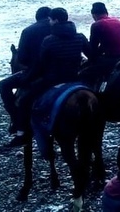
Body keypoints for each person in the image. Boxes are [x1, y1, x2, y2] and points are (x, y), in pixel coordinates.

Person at [14, 8, 92, 141]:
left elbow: (41, 64)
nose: (49, 22)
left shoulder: (49, 40)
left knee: (25, 100)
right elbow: (92, 56)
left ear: (55, 20)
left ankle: (23, 132)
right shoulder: (80, 37)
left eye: (50, 20)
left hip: (53, 79)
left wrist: (27, 78)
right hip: (75, 78)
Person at [1, 6, 52, 144]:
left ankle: (17, 121)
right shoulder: (59, 28)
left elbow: (22, 58)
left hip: (37, 73)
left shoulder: (28, 31)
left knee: (3, 85)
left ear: (37, 17)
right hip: (67, 72)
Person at [85, 2, 120, 87]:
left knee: (88, 73)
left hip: (114, 59)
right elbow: (109, 43)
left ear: (93, 15)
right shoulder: (117, 21)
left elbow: (93, 48)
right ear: (106, 13)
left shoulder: (96, 25)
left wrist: (90, 60)